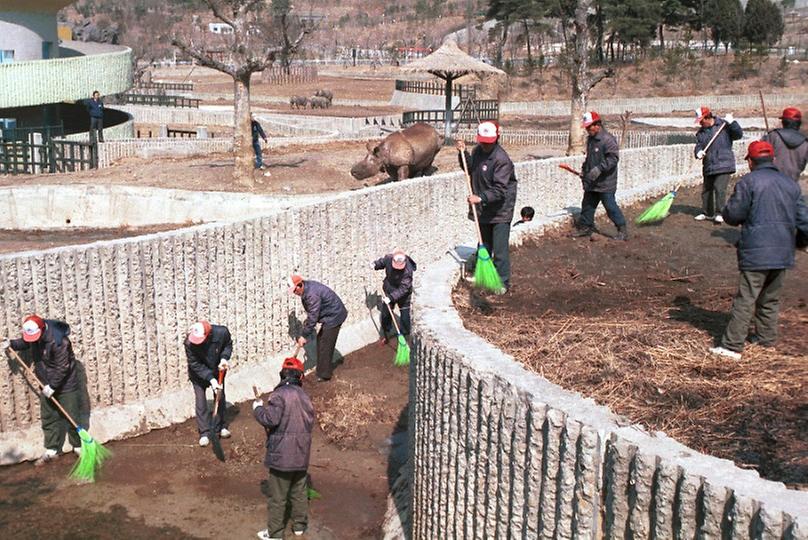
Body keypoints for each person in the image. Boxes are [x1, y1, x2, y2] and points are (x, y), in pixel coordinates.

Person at [709, 141, 807, 360]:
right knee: (770, 299)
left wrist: (727, 210)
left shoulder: (748, 182)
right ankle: (766, 340)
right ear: (773, 160)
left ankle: (732, 346)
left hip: (756, 251)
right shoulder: (791, 185)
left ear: (751, 162)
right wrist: (799, 242)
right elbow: (804, 220)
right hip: (783, 252)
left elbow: (733, 216)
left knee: (746, 298)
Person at [1, 315, 82, 465]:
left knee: (72, 415)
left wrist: (53, 386)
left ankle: (77, 446)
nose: (33, 340)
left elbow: (62, 367)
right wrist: (11, 343)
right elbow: (26, 342)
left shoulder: (60, 342)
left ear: (42, 329)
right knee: (48, 416)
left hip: (65, 384)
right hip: (45, 382)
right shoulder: (34, 335)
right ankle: (52, 449)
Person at [253, 356, 314, 540]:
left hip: (282, 457)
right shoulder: (305, 397)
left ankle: (275, 534)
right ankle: (299, 526)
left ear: (282, 375)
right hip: (301, 455)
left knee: (278, 497)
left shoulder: (279, 395)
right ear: (300, 377)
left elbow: (270, 419)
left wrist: (257, 409)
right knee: (299, 493)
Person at [455, 121, 518, 290]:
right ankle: (483, 276)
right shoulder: (478, 151)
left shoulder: (501, 160)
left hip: (500, 210)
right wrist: (463, 154)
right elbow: (469, 168)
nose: (484, 145)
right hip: (483, 207)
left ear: (496, 139)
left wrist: (480, 197)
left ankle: (502, 281)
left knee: (500, 248)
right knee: (484, 244)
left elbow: (500, 190)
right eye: (482, 141)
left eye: (488, 142)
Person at [572, 111, 628, 241]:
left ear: (597, 125)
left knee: (610, 206)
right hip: (592, 181)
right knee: (587, 205)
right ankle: (585, 227)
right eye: (586, 127)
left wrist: (598, 169)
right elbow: (589, 158)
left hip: (605, 182)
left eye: (589, 127)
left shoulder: (608, 140)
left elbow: (613, 159)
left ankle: (622, 230)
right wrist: (585, 170)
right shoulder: (590, 140)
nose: (587, 130)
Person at [290, 275, 348, 381]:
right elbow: (312, 313)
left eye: (295, 290)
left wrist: (304, 335)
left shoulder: (312, 294)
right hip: (329, 315)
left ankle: (324, 375)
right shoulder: (307, 289)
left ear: (299, 285)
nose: (295, 293)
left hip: (334, 316)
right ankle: (322, 369)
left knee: (325, 345)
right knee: (321, 340)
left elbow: (313, 316)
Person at [184, 320, 232, 447]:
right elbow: (195, 364)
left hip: (217, 369)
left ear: (208, 334)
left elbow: (228, 345)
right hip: (198, 374)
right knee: (201, 401)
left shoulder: (222, 333)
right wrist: (211, 379)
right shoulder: (189, 343)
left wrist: (224, 358)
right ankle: (204, 432)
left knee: (219, 396)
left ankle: (220, 426)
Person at [693, 106, 743, 223]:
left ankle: (720, 213)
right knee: (707, 190)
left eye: (701, 120)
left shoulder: (724, 126)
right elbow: (699, 145)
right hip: (709, 164)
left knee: (719, 188)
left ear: (707, 117)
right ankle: (707, 213)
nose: (700, 123)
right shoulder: (701, 133)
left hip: (724, 163)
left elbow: (738, 135)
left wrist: (732, 123)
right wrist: (698, 152)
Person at [372, 248, 417, 343]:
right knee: (385, 315)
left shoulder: (408, 271)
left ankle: (404, 336)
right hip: (389, 289)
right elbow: (382, 262)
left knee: (405, 316)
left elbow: (404, 288)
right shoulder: (389, 258)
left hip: (404, 295)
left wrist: (391, 297)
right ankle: (386, 333)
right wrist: (375, 264)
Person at [762, 107, 807, 182]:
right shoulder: (805, 143)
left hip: (771, 182)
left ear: (783, 122)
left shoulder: (773, 136)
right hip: (792, 184)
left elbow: (759, 157)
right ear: (799, 124)